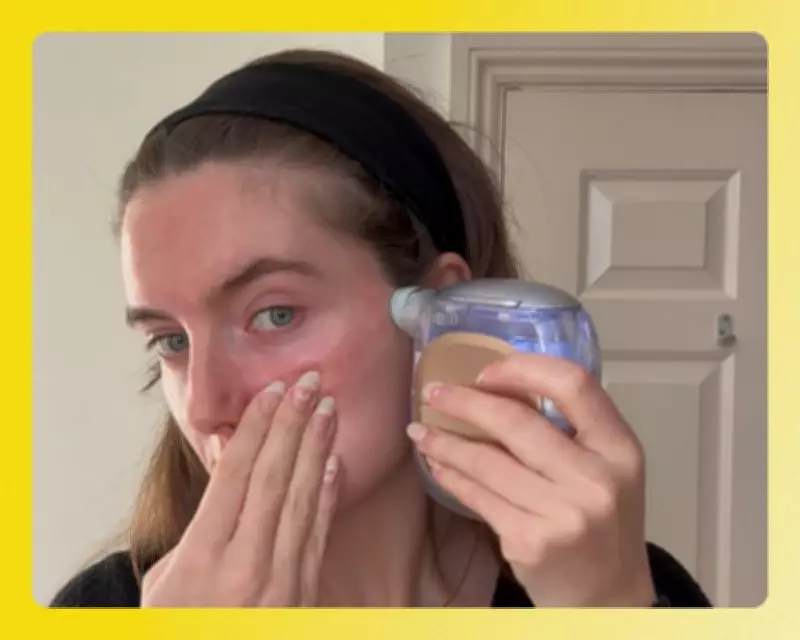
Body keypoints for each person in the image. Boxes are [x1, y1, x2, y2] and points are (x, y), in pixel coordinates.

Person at [50, 49, 711, 608]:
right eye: (171, 341)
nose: (203, 406)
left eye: (275, 314)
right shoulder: (108, 609)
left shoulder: (625, 588)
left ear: (442, 314)